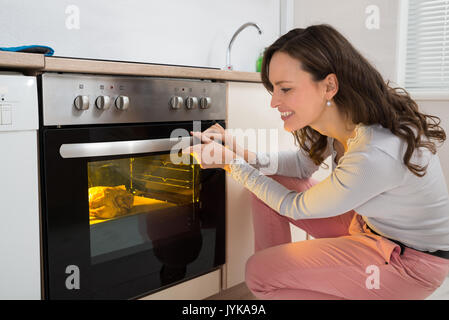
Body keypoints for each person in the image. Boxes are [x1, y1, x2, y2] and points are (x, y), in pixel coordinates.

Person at [183, 24, 449, 300]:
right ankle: (277, 279)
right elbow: (300, 167)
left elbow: (293, 207)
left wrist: (231, 165)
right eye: (273, 89)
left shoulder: (375, 152)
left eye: (285, 89)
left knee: (258, 272)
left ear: (329, 86)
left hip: (408, 263)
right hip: (369, 227)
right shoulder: (338, 120)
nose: (274, 102)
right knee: (270, 188)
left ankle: (275, 281)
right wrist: (240, 153)